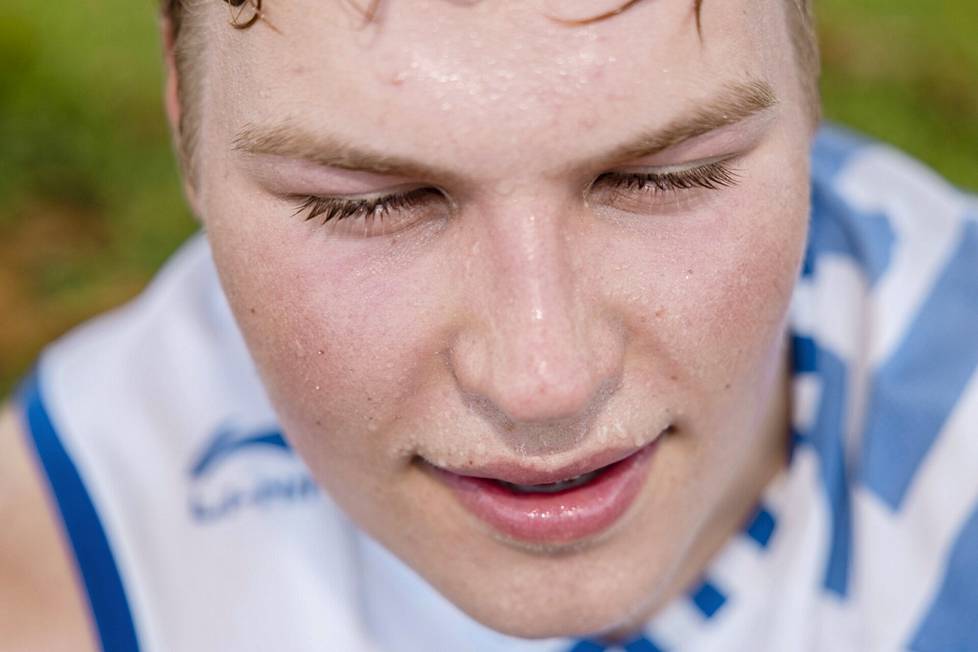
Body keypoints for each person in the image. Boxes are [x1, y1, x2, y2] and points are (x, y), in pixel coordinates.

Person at [1, 0, 975, 649]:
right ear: (186, 120)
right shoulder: (79, 560)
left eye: (661, 177)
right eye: (370, 201)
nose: (542, 380)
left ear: (807, 80)